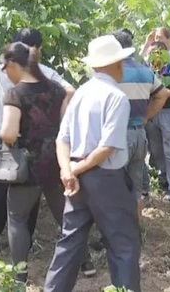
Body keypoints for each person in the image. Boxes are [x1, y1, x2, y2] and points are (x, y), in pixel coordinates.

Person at [44, 35, 140, 292]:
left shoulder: (80, 94)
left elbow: (62, 138)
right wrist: (75, 169)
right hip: (105, 177)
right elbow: (107, 146)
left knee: (70, 241)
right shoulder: (116, 97)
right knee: (123, 243)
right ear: (117, 64)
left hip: (76, 178)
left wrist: (67, 170)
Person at [0, 28, 75, 260]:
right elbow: (70, 91)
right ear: (37, 50)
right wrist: (59, 123)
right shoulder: (45, 73)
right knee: (29, 204)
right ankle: (24, 247)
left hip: (6, 148)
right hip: (40, 150)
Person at [0, 42, 69, 284]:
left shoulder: (15, 94)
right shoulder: (56, 90)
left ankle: (19, 274)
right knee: (65, 216)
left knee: (17, 217)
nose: (6, 72)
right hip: (56, 161)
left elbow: (9, 133)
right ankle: (85, 261)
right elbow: (64, 124)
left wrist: (5, 136)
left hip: (28, 165)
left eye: (5, 67)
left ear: (14, 64)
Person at [112, 30, 168, 215]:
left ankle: (116, 230)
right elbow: (163, 94)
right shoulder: (145, 71)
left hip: (119, 135)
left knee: (115, 185)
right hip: (139, 134)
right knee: (136, 188)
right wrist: (146, 116)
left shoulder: (114, 73)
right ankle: (135, 227)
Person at [145, 41, 170, 199]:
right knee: (156, 149)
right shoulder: (148, 70)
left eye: (154, 52)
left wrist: (160, 92)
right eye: (150, 52)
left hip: (167, 113)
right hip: (152, 112)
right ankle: (164, 176)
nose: (151, 55)